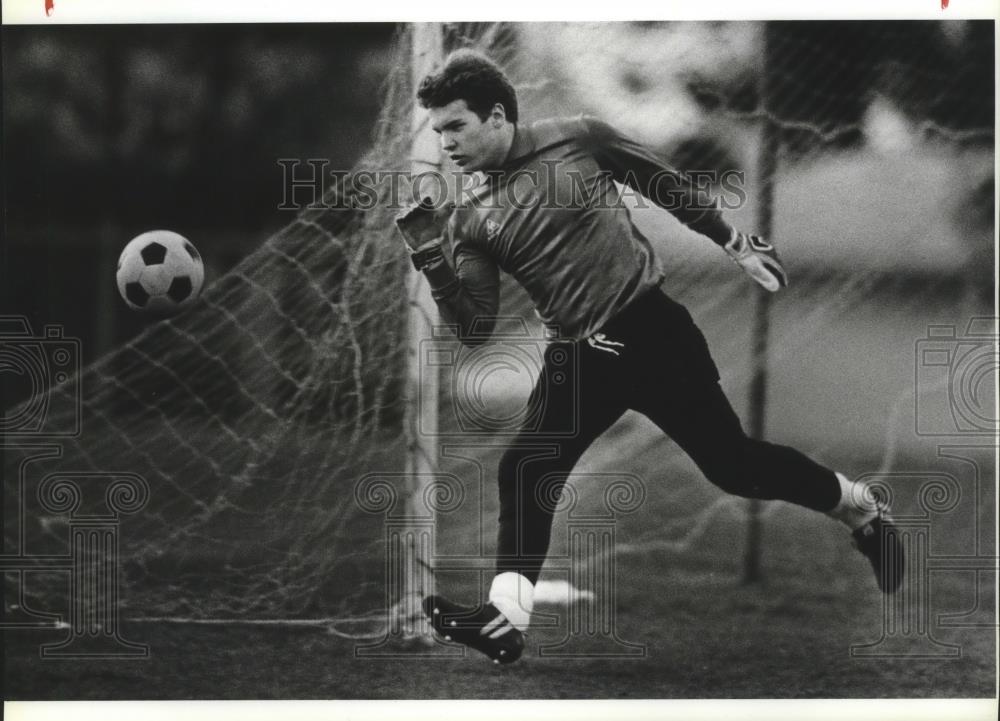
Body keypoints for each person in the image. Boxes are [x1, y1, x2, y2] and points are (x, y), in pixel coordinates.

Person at [394, 49, 903, 665]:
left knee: (731, 466)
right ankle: (505, 620)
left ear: (497, 116)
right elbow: (474, 326)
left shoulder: (578, 138)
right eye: (439, 130)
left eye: (457, 126)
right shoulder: (471, 218)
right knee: (526, 468)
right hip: (577, 354)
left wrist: (735, 242)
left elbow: (663, 184)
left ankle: (860, 510)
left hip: (650, 331)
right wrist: (429, 254)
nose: (446, 142)